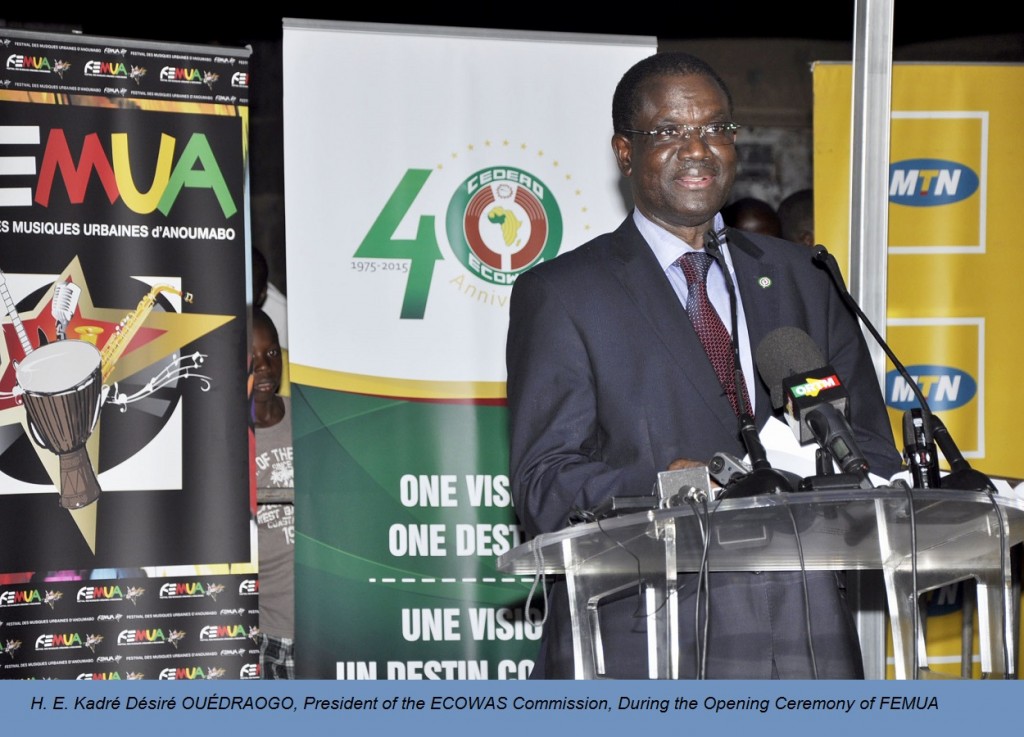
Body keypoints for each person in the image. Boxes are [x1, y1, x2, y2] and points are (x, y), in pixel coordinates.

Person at [506, 52, 901, 679]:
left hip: (804, 638)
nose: (698, 148)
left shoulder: (804, 276)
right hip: (647, 636)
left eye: (716, 128)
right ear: (625, 152)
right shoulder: (564, 293)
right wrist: (674, 489)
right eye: (669, 131)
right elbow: (544, 485)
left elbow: (874, 453)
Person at [251, 307, 295, 679]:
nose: (265, 367)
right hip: (267, 639)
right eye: (252, 358)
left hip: (333, 629)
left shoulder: (312, 418)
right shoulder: (219, 444)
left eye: (271, 353)